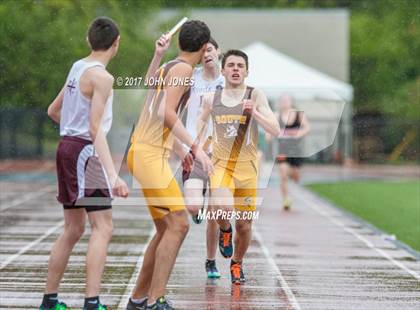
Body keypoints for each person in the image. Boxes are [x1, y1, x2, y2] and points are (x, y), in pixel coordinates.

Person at [41, 17, 129, 310]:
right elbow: (94, 130)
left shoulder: (77, 67)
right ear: (116, 43)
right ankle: (92, 302)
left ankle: (49, 300)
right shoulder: (102, 78)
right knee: (103, 227)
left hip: (67, 147)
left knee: (73, 228)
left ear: (88, 40)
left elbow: (54, 111)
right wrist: (114, 175)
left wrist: (71, 129)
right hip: (84, 151)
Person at [126, 20, 212, 310]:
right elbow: (165, 113)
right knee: (179, 225)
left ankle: (139, 298)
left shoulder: (169, 66)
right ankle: (155, 300)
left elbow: (151, 97)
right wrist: (195, 148)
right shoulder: (184, 70)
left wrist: (157, 55)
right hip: (148, 155)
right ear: (203, 48)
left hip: (144, 151)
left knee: (166, 229)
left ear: (179, 43)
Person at [198, 50, 280, 285]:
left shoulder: (256, 95)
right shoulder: (212, 98)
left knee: (244, 225)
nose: (235, 69)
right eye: (231, 65)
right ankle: (225, 230)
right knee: (221, 209)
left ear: (246, 71)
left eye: (240, 66)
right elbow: (200, 124)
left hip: (247, 169)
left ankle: (237, 263)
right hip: (221, 165)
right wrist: (198, 149)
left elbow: (275, 129)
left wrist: (254, 113)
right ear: (222, 70)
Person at [275, 95, 310, 210]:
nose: (284, 102)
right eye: (282, 100)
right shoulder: (277, 115)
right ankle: (286, 199)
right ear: (280, 103)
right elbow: (270, 130)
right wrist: (272, 134)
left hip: (296, 151)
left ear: (291, 102)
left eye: (286, 100)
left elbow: (307, 128)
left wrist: (298, 134)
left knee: (296, 176)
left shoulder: (298, 115)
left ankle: (292, 174)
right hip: (282, 150)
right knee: (283, 175)